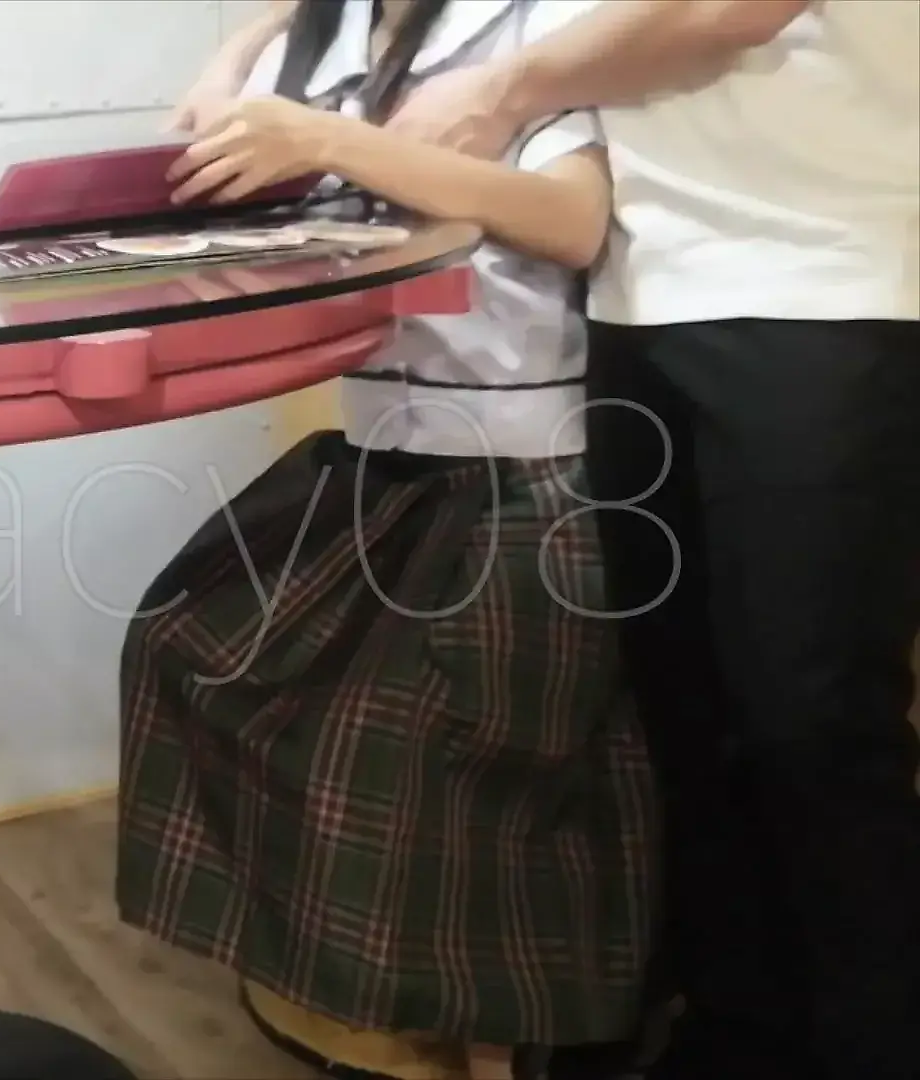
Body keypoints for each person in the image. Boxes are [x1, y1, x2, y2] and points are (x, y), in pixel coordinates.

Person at [377, 4, 920, 1079]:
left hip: (829, 279)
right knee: (686, 711)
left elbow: (729, 10)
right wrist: (254, 40)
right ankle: (737, 1032)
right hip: (638, 294)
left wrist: (499, 90)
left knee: (812, 719)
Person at [115, 2, 657, 1078]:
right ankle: (346, 992)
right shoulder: (311, 42)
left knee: (429, 736)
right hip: (380, 455)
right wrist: (240, 62)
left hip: (528, 469)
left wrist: (328, 138)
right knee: (188, 639)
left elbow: (574, 222)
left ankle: (483, 1022)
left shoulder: (531, 25)